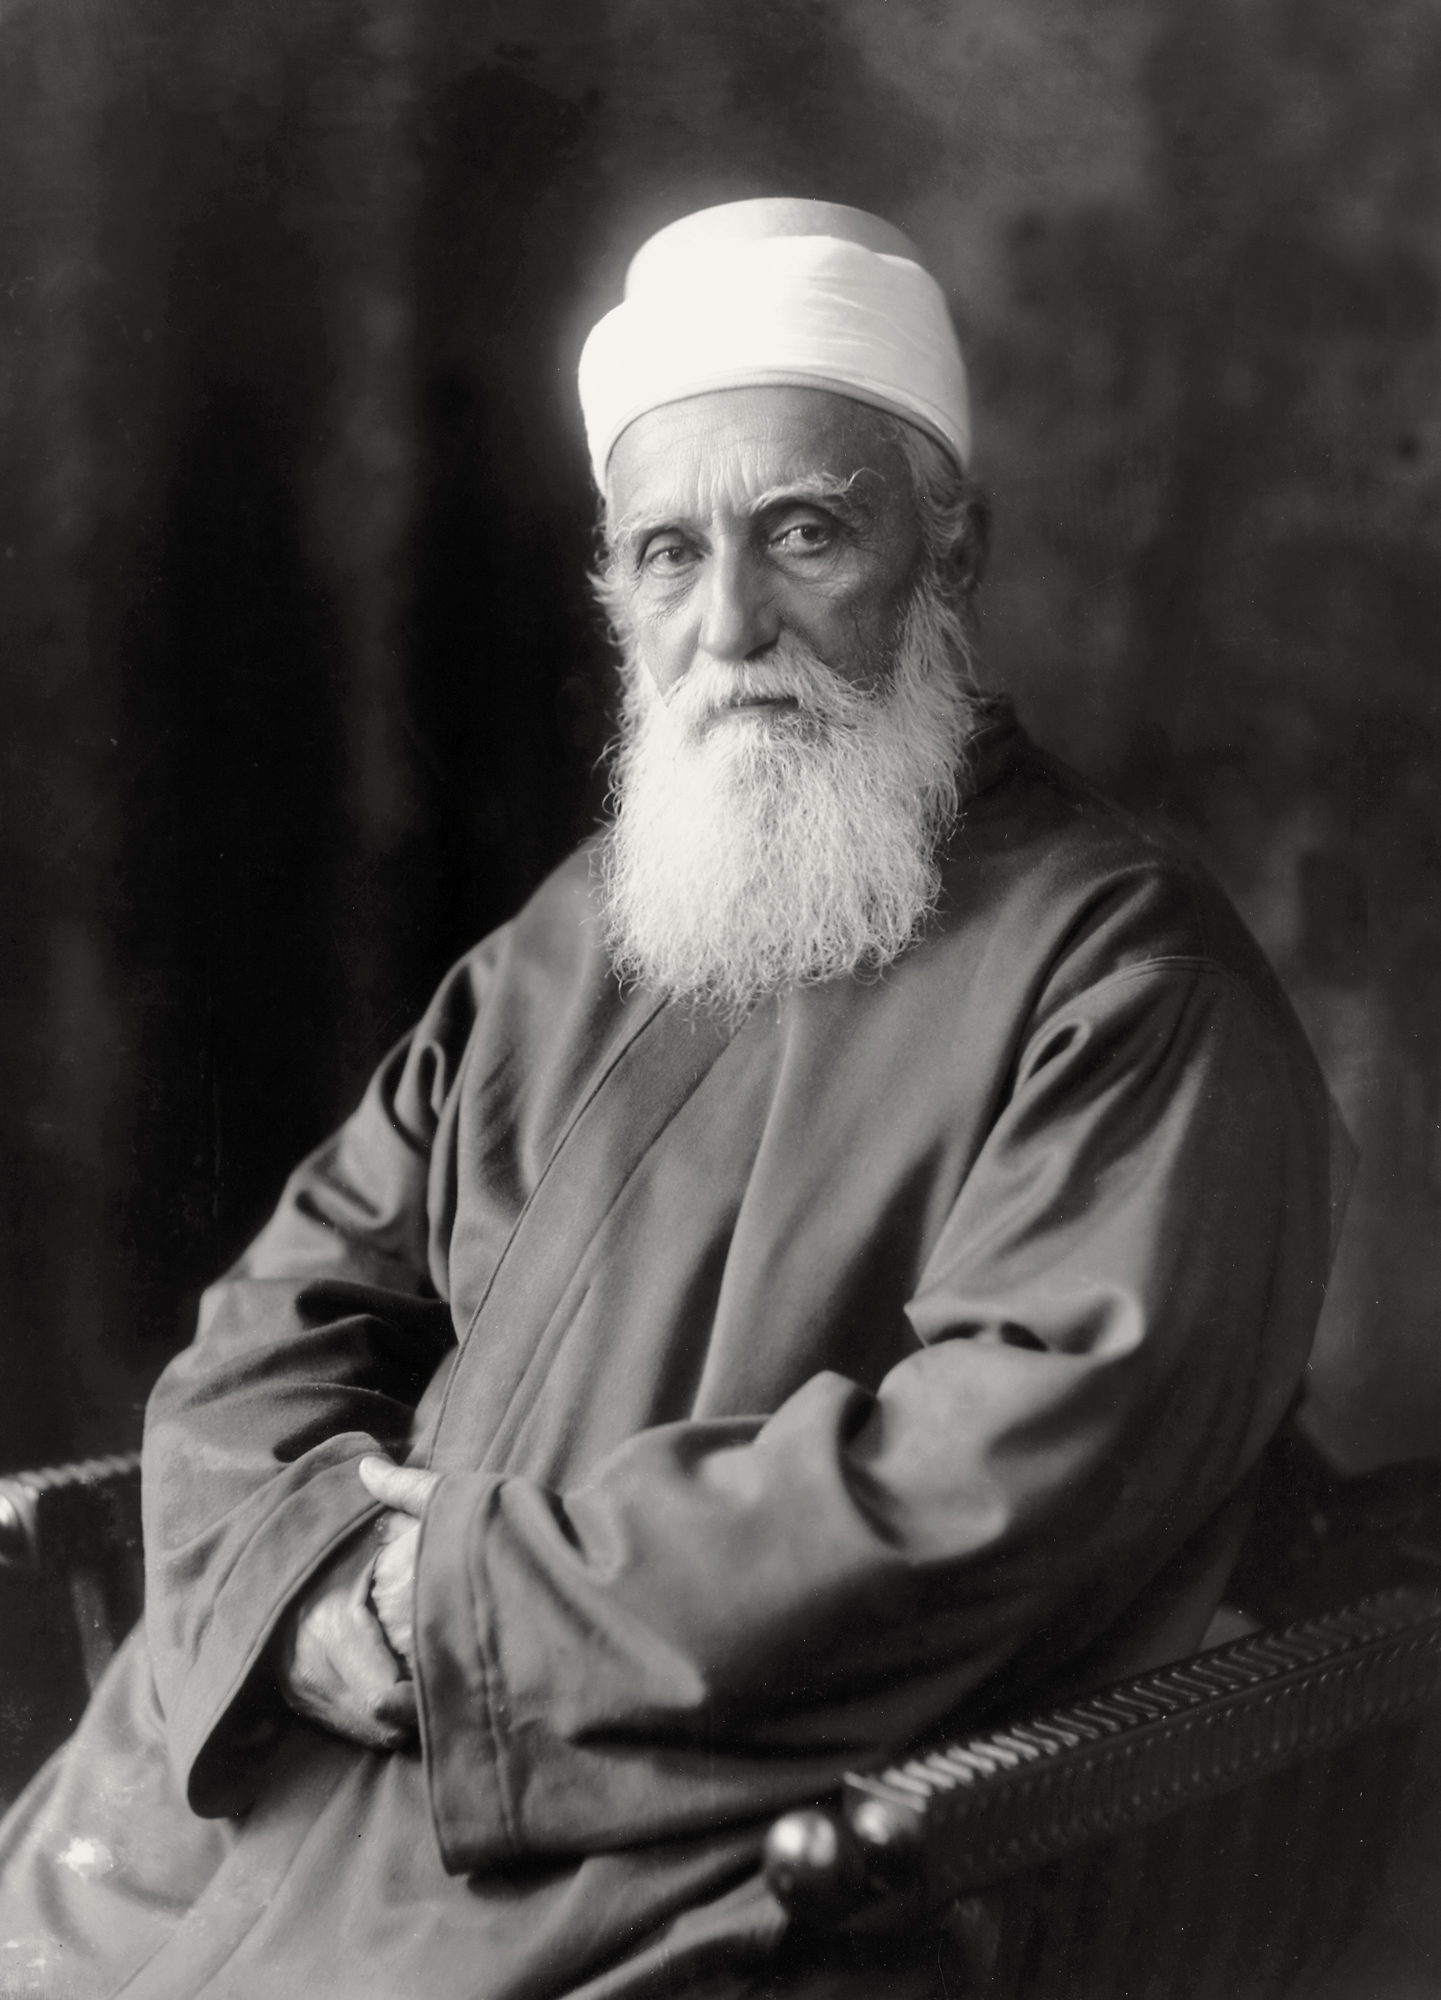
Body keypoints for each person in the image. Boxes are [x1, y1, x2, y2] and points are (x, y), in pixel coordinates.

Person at [0, 198, 1343, 2000]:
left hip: (676, 1847)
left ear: (949, 558)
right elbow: (279, 1319)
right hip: (275, 1773)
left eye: (803, 532)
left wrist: (446, 1611)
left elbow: (986, 1496)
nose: (729, 622)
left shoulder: (1121, 980)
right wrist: (302, 1584)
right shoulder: (574, 939)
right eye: (664, 554)